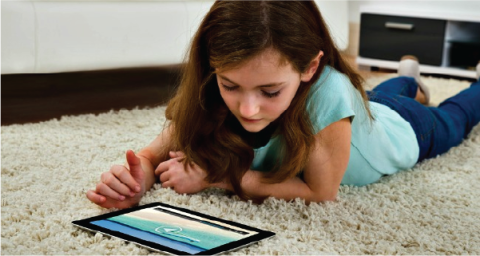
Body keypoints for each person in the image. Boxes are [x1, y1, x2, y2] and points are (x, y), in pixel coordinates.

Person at [86, 0, 480, 209]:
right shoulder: (217, 79)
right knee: (381, 97)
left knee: (457, 115)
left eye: (270, 92)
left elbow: (321, 194)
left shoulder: (332, 92)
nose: (249, 109)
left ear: (310, 68)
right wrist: (139, 175)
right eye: (231, 86)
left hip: (407, 131)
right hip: (363, 114)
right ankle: (408, 77)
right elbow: (158, 151)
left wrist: (218, 178)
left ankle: (416, 84)